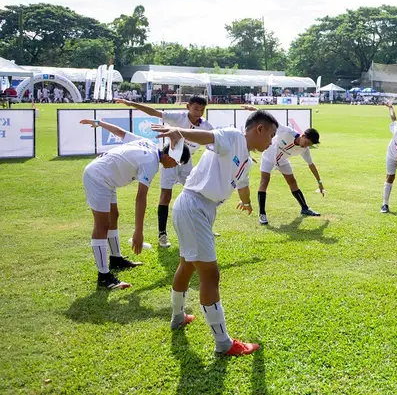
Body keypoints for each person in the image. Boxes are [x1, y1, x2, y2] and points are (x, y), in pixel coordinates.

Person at [152, 110, 278, 356]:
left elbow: (242, 185)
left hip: (198, 208)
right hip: (194, 205)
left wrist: (247, 202)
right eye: (271, 135)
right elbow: (207, 137)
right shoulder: (233, 137)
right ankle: (223, 343)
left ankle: (178, 317)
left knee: (187, 265)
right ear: (259, 129)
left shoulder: (246, 158)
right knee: (210, 275)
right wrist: (180, 132)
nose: (271, 141)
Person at [81, 118, 189, 290]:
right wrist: (138, 231)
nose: (174, 167)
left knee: (114, 216)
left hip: (107, 177)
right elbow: (141, 197)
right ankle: (104, 276)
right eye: (176, 163)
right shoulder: (151, 163)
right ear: (170, 156)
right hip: (98, 177)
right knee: (102, 224)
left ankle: (116, 259)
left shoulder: (148, 144)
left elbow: (120, 132)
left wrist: (99, 123)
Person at [115, 96, 213, 247]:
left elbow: (217, 142)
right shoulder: (178, 117)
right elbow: (154, 112)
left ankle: (204, 227)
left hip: (187, 162)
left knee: (198, 194)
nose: (198, 112)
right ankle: (162, 235)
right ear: (188, 107)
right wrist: (130, 103)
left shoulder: (206, 126)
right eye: (196, 108)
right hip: (170, 160)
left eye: (202, 110)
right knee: (165, 196)